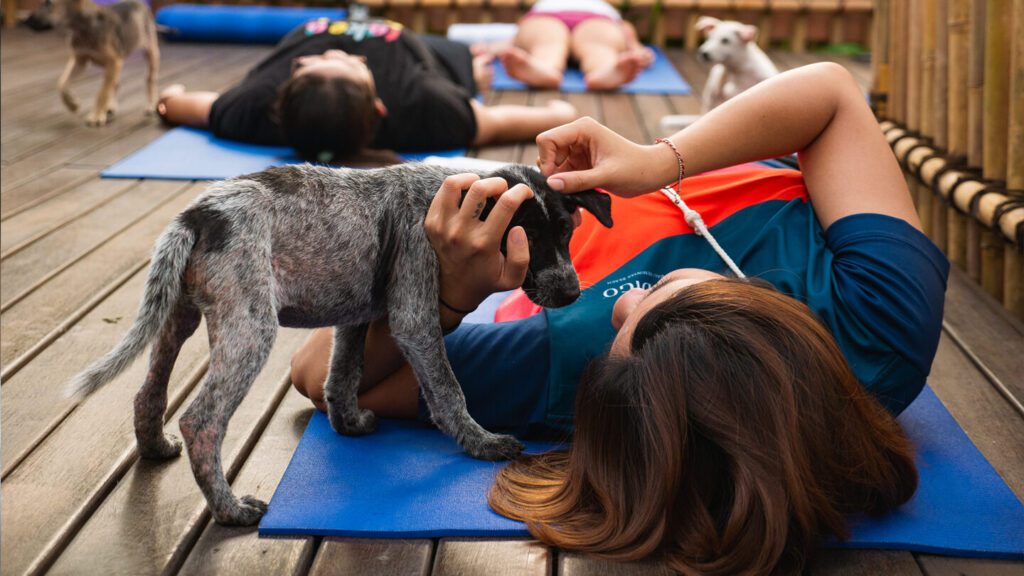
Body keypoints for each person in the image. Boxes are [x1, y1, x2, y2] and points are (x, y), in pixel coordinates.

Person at [290, 63, 948, 574]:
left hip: (530, 217)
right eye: (656, 298)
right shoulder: (881, 325)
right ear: (756, 315)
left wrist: (449, 296)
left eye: (621, 329)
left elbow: (319, 372)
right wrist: (660, 160)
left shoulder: (583, 360)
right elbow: (831, 95)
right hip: (711, 153)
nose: (621, 305)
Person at [156, 17, 578, 162]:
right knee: (475, 67)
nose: (341, 54)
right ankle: (479, 67)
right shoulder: (426, 109)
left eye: (319, 63)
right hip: (421, 51)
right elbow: (520, 120)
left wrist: (167, 99)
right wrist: (559, 110)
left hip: (386, 45)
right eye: (351, 67)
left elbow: (182, 104)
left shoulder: (252, 107)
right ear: (379, 106)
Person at [496, 0, 655, 90]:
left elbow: (625, 28)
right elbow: (516, 33)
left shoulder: (603, 6)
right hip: (547, 17)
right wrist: (498, 47)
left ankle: (605, 72)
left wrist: (636, 48)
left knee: (597, 45)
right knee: (548, 40)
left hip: (595, 20)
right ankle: (544, 69)